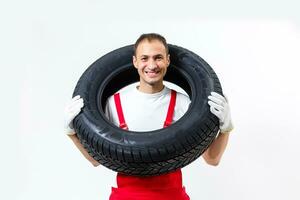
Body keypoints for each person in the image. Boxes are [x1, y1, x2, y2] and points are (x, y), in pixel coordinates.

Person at [64, 33, 234, 200]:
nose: (151, 65)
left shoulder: (183, 104)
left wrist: (226, 128)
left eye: (158, 57)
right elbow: (97, 160)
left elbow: (212, 159)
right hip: (126, 197)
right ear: (135, 62)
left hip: (171, 196)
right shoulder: (114, 104)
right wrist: (72, 133)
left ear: (167, 60)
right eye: (144, 58)